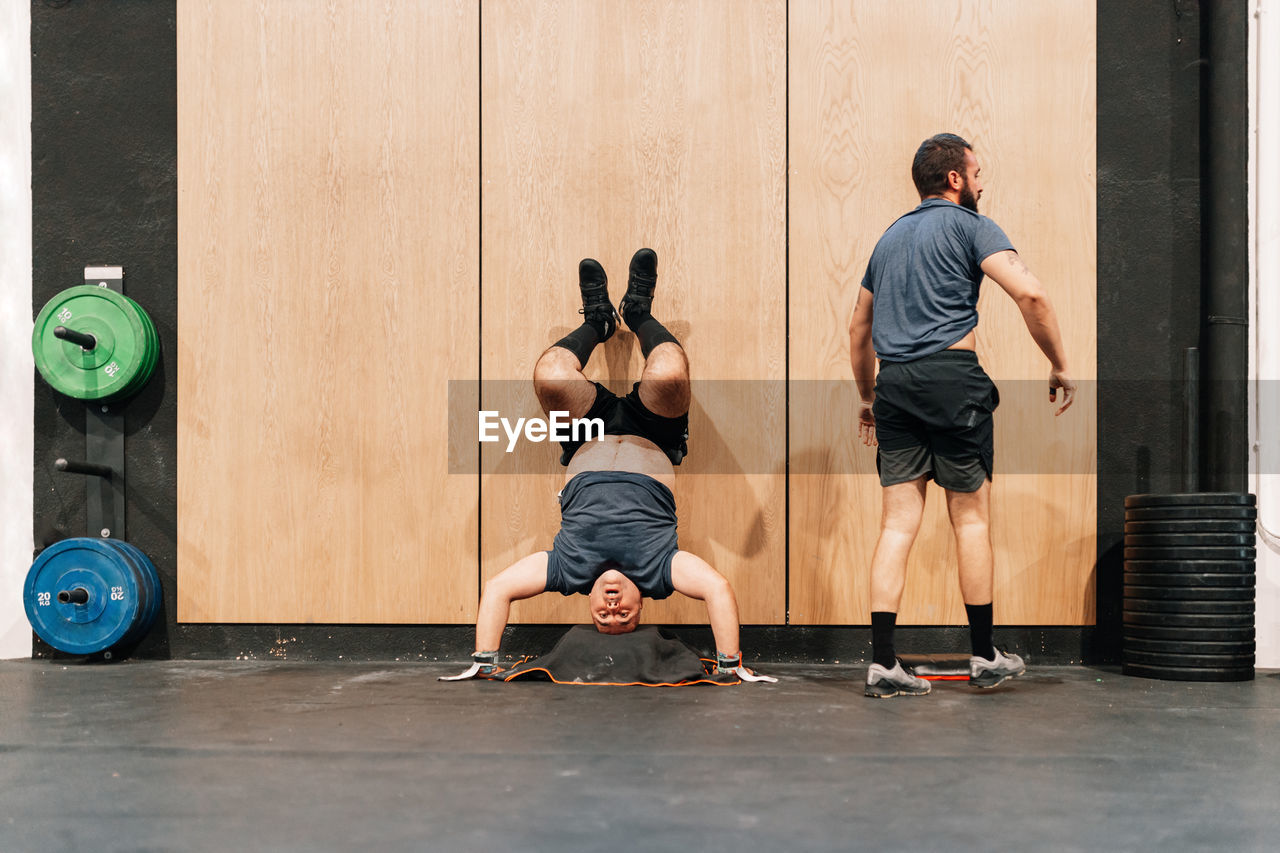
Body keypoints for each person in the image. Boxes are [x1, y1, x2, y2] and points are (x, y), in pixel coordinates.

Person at [443, 248, 773, 683]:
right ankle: (637, 314)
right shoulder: (661, 571)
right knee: (671, 372)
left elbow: (497, 588)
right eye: (624, 619)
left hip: (585, 435)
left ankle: (598, 322)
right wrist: (732, 665)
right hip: (654, 436)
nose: (612, 612)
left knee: (551, 373)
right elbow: (717, 589)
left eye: (603, 620)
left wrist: (484, 660)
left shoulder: (566, 569)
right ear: (642, 606)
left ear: (589, 606)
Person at [849, 133, 1076, 698]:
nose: (981, 182)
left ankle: (883, 664)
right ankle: (982, 656)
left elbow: (858, 330)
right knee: (970, 520)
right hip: (953, 383)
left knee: (897, 524)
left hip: (895, 386)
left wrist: (868, 398)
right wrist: (1059, 364)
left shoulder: (888, 239)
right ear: (955, 178)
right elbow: (1033, 296)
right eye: (977, 173)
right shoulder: (974, 226)